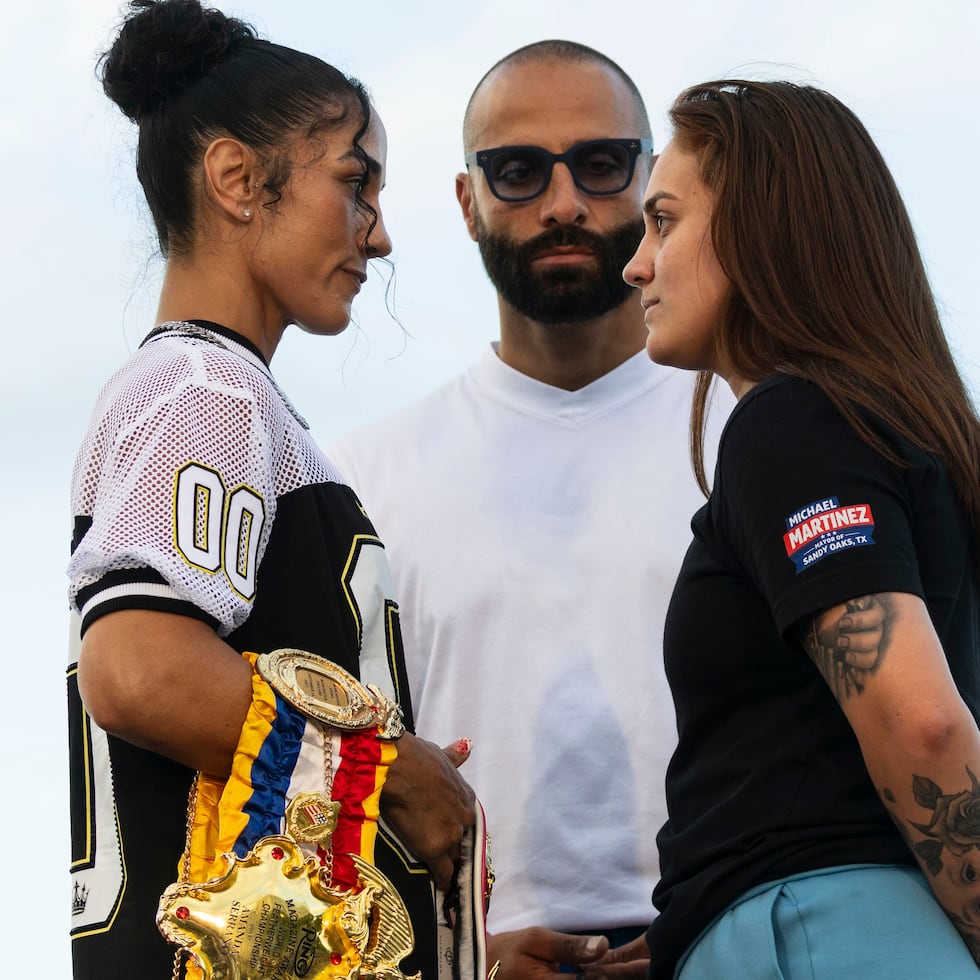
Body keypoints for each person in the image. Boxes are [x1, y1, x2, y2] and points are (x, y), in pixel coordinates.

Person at [66, 2, 480, 977]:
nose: (375, 237)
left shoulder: (221, 399)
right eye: (353, 183)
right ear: (237, 179)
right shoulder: (205, 390)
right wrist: (391, 774)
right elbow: (141, 667)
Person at [328, 42, 730, 978]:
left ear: (651, 182)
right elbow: (340, 781)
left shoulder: (755, 431)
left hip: (735, 942)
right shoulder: (360, 479)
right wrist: (448, 956)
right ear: (467, 202)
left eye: (599, 165)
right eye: (517, 172)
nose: (563, 204)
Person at [617, 79, 980, 978]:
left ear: (758, 228)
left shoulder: (793, 422)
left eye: (663, 219)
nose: (637, 263)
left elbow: (923, 726)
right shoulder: (888, 433)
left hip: (825, 932)